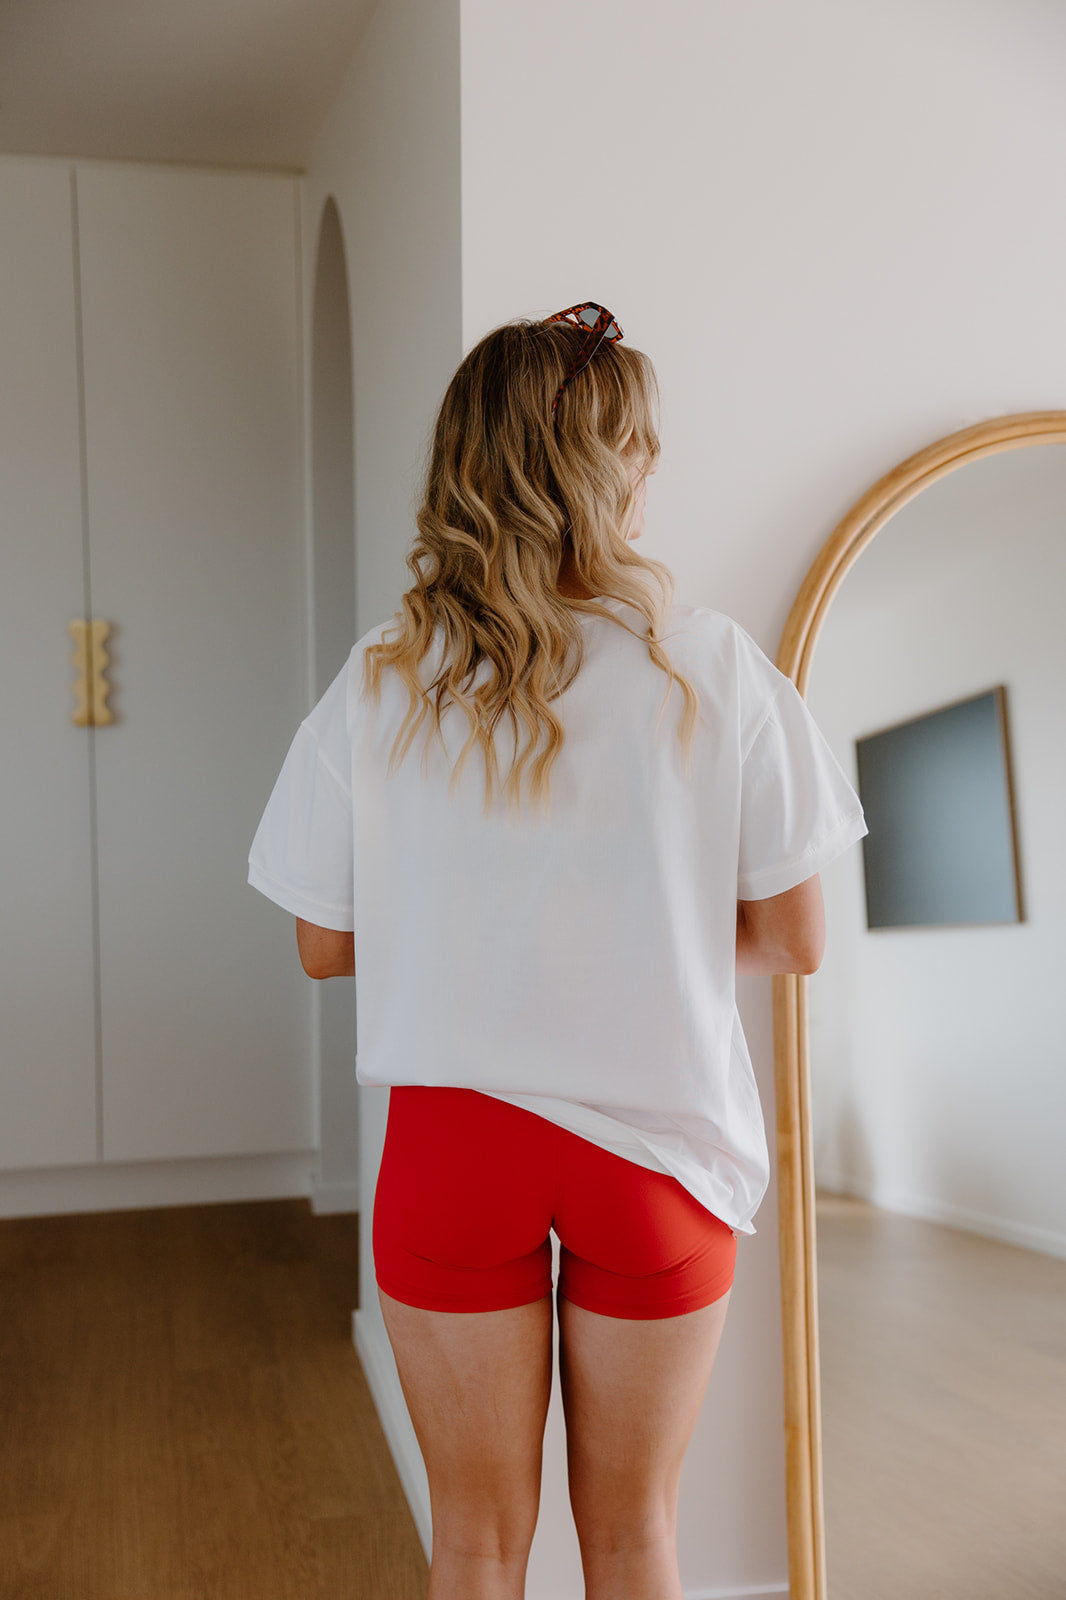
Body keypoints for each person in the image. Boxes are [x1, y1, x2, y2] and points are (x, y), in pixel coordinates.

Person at [247, 303, 867, 1600]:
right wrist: (633, 941)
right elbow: (795, 939)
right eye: (639, 446)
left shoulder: (384, 675)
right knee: (636, 1538)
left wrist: (479, 946)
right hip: (657, 1155)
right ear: (601, 468)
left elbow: (321, 942)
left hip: (452, 1148)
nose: (653, 470)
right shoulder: (712, 667)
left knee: (474, 1543)